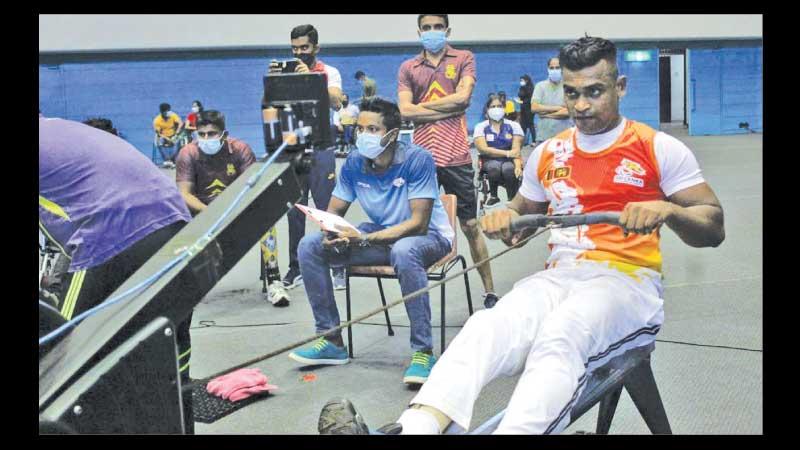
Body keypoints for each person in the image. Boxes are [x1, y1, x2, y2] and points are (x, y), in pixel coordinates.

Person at [316, 36, 725, 435]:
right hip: (559, 277)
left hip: (627, 282)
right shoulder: (550, 152)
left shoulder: (658, 147)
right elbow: (521, 216)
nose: (580, 105)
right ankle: (415, 428)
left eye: (595, 92)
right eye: (572, 93)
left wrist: (668, 210)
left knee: (563, 333)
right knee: (484, 327)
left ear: (620, 87)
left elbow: (713, 226)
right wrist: (503, 220)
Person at [39, 116, 196, 433]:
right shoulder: (61, 129)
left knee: (59, 357)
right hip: (177, 231)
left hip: (111, 234)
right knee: (168, 351)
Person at [289, 97, 454, 385]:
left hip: (428, 239)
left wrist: (363, 238)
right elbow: (335, 211)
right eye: (360, 128)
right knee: (310, 246)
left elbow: (418, 223)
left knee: (404, 251)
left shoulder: (418, 159)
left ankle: (423, 352)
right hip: (379, 234)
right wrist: (332, 233)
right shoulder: (354, 162)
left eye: (372, 129)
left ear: (392, 134)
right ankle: (331, 340)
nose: (363, 135)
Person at [397, 14, 498, 309]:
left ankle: (490, 292)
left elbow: (464, 97)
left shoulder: (464, 58)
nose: (432, 32)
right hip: (422, 159)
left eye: (437, 27)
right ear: (419, 32)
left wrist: (421, 108)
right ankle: (417, 299)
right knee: (417, 226)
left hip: (457, 157)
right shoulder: (408, 68)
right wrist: (447, 107)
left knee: (469, 225)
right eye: (426, 28)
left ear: (447, 30)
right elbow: (405, 110)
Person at [174, 110, 291, 307]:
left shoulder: (241, 150)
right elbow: (184, 194)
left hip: (236, 208)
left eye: (211, 134)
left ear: (224, 134)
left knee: (266, 219)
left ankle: (273, 281)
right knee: (174, 225)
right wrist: (208, 213)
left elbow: (253, 189)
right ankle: (187, 290)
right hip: (202, 211)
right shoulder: (188, 154)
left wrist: (233, 212)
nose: (206, 138)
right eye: (201, 134)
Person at [267, 24, 346, 291]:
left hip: (322, 146)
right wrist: (274, 82)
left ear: (316, 48)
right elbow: (270, 108)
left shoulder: (328, 72)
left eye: (304, 48)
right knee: (294, 210)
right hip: (293, 149)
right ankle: (295, 267)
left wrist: (311, 76)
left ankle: (337, 265)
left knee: (327, 209)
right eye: (295, 48)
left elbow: (336, 101)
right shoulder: (285, 72)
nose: (299, 53)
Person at [473, 94, 524, 208]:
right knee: (494, 167)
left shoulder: (514, 126)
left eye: (499, 106)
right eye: (493, 106)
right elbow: (483, 149)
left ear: (504, 108)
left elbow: (516, 150)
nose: (496, 109)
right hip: (489, 160)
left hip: (510, 160)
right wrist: (506, 153)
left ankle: (511, 198)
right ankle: (494, 196)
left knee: (508, 169)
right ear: (487, 109)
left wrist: (517, 165)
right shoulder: (480, 127)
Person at [531, 57, 573, 143]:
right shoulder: (540, 86)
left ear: (562, 69)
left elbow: (569, 111)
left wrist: (546, 115)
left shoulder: (569, 86)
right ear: (548, 69)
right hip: (544, 137)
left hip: (565, 137)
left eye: (557, 67)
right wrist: (558, 108)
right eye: (552, 68)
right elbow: (534, 108)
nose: (554, 70)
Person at [153, 103, 183, 168]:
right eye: (166, 111)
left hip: (173, 135)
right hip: (164, 137)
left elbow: (180, 123)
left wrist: (177, 133)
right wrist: (167, 138)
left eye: (169, 110)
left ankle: (172, 160)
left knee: (178, 141)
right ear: (162, 112)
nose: (169, 112)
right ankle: (167, 160)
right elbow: (158, 133)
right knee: (159, 141)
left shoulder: (173, 115)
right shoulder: (157, 120)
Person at [516, 74, 536, 145]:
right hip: (523, 108)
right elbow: (520, 95)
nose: (521, 82)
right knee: (523, 124)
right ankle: (523, 141)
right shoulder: (521, 88)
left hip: (529, 109)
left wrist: (522, 101)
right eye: (520, 80)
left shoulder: (531, 88)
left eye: (522, 80)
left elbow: (531, 99)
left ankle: (534, 141)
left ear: (527, 80)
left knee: (530, 124)